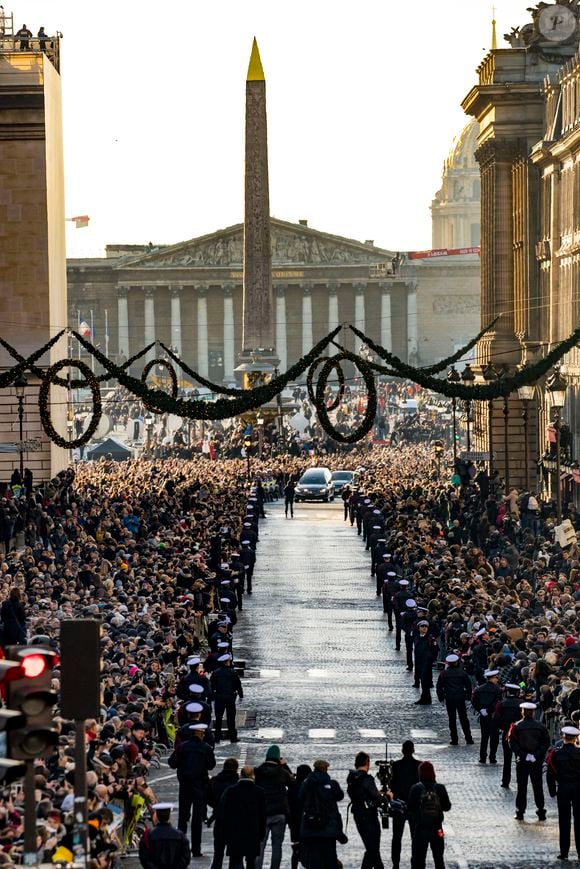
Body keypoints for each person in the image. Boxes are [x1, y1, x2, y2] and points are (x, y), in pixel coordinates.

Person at [168, 722, 216, 857]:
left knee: (183, 818)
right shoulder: (206, 748)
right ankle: (196, 848)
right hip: (200, 785)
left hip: (185, 784)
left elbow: (172, 763)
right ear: (201, 734)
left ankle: (181, 847)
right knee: (197, 818)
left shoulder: (182, 747)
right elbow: (211, 765)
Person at [254, 744, 295, 869]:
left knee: (260, 845)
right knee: (277, 846)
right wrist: (285, 766)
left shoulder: (258, 771)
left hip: (262, 813)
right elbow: (293, 783)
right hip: (279, 812)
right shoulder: (282, 772)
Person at [508, 701, 550, 821]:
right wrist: (535, 755)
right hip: (536, 762)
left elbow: (512, 744)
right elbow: (545, 744)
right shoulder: (541, 726)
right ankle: (541, 811)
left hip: (522, 761)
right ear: (533, 713)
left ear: (522, 713)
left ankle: (520, 811)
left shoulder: (516, 726)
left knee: (522, 788)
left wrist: (524, 755)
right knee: (538, 787)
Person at [299, 759, 344, 869]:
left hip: (311, 827)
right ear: (326, 769)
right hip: (329, 829)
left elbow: (300, 797)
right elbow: (340, 796)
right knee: (330, 859)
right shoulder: (332, 784)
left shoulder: (307, 783)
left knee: (315, 860)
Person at [406, 761, 451, 869]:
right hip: (438, 829)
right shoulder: (440, 788)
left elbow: (409, 810)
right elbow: (447, 807)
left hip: (420, 829)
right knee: (439, 858)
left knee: (419, 860)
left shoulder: (416, 788)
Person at [221, 765, 267, 869]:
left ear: (241, 775)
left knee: (235, 860)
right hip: (253, 831)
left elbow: (226, 813)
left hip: (235, 830)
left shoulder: (231, 791)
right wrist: (261, 833)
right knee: (251, 861)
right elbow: (262, 815)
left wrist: (225, 832)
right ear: (253, 776)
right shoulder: (259, 792)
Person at [547, 724, 580, 861]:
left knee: (564, 821)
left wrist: (552, 792)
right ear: (576, 738)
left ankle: (564, 852)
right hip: (579, 789)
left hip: (564, 789)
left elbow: (550, 773)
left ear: (563, 737)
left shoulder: (556, 754)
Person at [346, 751, 384, 869]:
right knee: (373, 849)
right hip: (369, 816)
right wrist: (387, 796)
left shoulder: (352, 778)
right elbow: (377, 799)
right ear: (367, 762)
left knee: (371, 849)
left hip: (358, 815)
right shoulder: (367, 779)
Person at [389, 740, 420, 869]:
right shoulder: (419, 765)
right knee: (415, 837)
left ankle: (395, 863)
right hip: (414, 805)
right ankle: (415, 861)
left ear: (402, 750)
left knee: (397, 837)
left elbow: (391, 784)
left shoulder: (395, 766)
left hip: (398, 805)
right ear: (413, 750)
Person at [207, 758, 239, 869]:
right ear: (236, 768)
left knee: (218, 854)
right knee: (235, 856)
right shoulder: (238, 782)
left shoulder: (215, 781)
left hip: (220, 819)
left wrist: (216, 806)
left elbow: (207, 797)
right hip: (235, 821)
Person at [436, 654, 474, 746]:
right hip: (460, 697)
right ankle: (468, 738)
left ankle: (454, 739)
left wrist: (441, 699)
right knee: (464, 718)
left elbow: (439, 687)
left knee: (452, 719)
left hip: (449, 698)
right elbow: (469, 686)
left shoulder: (444, 673)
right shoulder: (462, 673)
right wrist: (468, 698)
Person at [138, 802, 190, 869]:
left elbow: (144, 858)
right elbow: (186, 857)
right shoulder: (180, 835)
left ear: (157, 816)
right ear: (169, 816)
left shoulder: (149, 835)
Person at [494, 683, 523, 789]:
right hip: (519, 735)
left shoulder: (501, 704)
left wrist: (505, 727)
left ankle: (505, 781)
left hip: (507, 733)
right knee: (519, 759)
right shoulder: (522, 703)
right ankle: (520, 780)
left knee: (507, 759)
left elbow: (496, 719)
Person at [210, 653, 243, 743]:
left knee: (218, 718)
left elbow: (212, 686)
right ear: (226, 662)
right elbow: (238, 684)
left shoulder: (216, 673)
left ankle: (217, 737)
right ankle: (233, 737)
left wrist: (212, 696)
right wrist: (241, 695)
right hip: (230, 698)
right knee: (231, 719)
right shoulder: (232, 672)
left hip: (219, 698)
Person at [472, 669, 502, 764]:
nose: (497, 679)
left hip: (483, 715)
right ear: (492, 678)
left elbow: (474, 701)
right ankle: (492, 757)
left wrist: (481, 710)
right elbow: (497, 703)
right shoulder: (497, 689)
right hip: (493, 716)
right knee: (494, 738)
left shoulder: (479, 689)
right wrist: (489, 710)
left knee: (484, 737)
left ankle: (482, 757)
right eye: (496, 678)